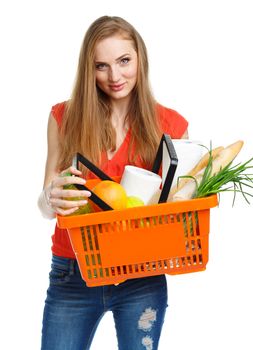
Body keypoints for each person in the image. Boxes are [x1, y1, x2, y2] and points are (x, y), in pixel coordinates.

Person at [38, 15, 188, 350]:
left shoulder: (171, 127)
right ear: (88, 70)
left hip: (142, 278)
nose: (115, 76)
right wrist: (51, 197)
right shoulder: (64, 117)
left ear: (140, 59)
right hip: (73, 274)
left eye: (124, 61)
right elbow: (45, 206)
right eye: (101, 66)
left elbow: (178, 211)